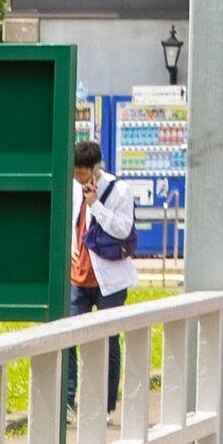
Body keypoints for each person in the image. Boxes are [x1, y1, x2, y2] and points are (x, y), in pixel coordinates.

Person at [65, 139, 138, 413]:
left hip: (110, 281)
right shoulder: (72, 187)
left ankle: (106, 406)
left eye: (82, 173)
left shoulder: (120, 190)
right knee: (69, 337)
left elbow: (122, 229)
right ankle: (68, 402)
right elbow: (71, 222)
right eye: (75, 172)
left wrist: (95, 204)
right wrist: (71, 245)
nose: (78, 178)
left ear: (95, 170)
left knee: (109, 341)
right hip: (78, 276)